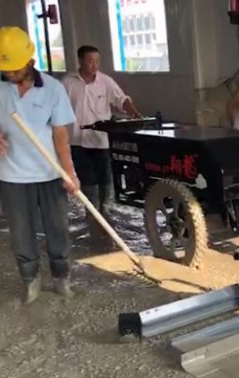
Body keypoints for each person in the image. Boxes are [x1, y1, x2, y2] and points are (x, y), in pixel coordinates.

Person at [0, 26, 79, 305]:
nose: (9, 73)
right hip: (12, 175)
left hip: (50, 173)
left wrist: (69, 173)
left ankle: (62, 278)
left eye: (15, 68)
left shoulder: (52, 88)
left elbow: (60, 135)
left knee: (58, 229)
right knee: (20, 233)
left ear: (30, 60)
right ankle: (30, 280)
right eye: (4, 68)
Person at [62, 45, 141, 237]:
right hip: (78, 139)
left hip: (101, 140)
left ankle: (105, 210)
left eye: (97, 61)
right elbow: (57, 107)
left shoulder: (105, 81)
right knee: (86, 177)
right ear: (80, 60)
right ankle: (92, 212)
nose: (94, 65)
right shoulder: (67, 83)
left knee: (105, 176)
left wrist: (133, 113)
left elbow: (121, 99)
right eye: (90, 61)